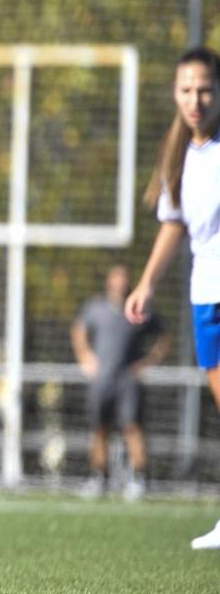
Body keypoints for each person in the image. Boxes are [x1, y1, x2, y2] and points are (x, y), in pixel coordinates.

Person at [126, 46, 220, 548]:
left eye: (204, 88)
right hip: (206, 294)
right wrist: (146, 283)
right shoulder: (180, 153)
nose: (196, 99)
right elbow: (174, 224)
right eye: (186, 89)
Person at [72, 264, 168, 500]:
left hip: (128, 380)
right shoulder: (96, 308)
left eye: (125, 277)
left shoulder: (139, 308)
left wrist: (148, 361)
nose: (121, 282)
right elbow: (78, 330)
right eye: (117, 277)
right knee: (100, 429)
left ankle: (138, 479)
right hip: (102, 379)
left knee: (132, 427)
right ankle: (98, 478)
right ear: (109, 281)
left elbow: (164, 336)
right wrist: (85, 355)